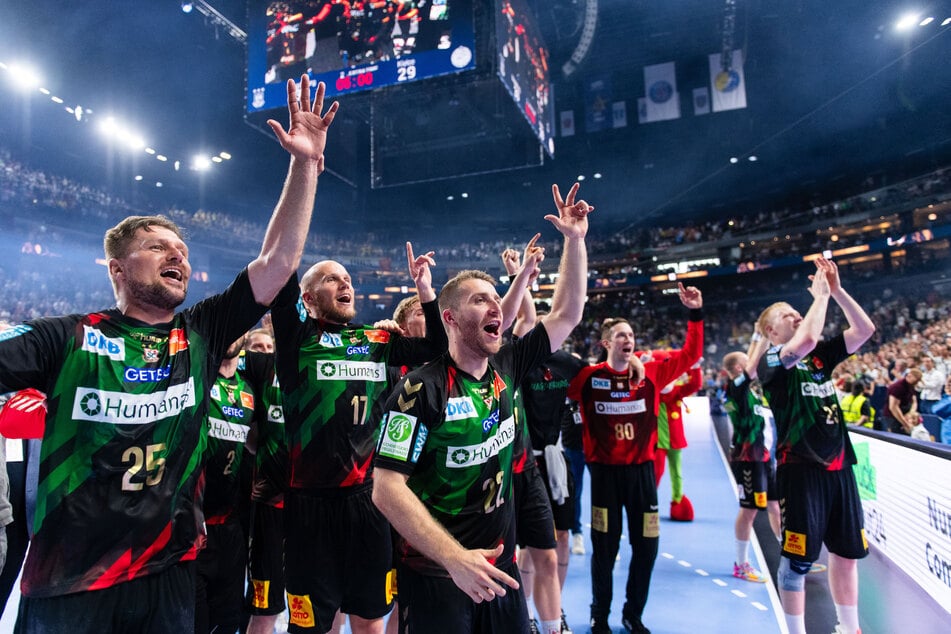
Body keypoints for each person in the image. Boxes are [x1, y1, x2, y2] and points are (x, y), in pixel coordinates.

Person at [0, 74, 338, 632]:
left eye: (181, 249)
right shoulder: (66, 337)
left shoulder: (200, 333)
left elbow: (278, 262)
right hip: (72, 585)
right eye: (157, 247)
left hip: (169, 574)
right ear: (117, 268)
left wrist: (305, 166)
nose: (175, 255)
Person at [371, 183, 591, 634]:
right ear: (449, 318)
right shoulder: (419, 389)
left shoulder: (508, 362)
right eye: (480, 299)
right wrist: (455, 559)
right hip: (438, 576)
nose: (496, 305)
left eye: (497, 298)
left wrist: (574, 240)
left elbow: (567, 313)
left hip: (502, 570)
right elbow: (387, 488)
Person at [271, 240, 450, 634]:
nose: (344, 283)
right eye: (332, 278)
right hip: (309, 507)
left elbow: (438, 347)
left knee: (370, 620)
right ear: (309, 296)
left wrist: (425, 289)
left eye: (348, 278)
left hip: (368, 504)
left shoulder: (375, 341)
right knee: (313, 626)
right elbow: (279, 270)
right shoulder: (295, 341)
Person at [567, 283, 703, 634]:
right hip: (605, 478)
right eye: (621, 335)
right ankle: (600, 615)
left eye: (631, 335)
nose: (628, 340)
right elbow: (553, 377)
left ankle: (633, 614)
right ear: (606, 343)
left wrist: (695, 314)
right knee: (604, 549)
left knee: (647, 547)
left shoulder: (652, 374)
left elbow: (691, 355)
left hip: (643, 475)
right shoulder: (588, 377)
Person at [754, 257, 875, 634]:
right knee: (797, 560)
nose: (796, 316)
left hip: (839, 466)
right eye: (787, 314)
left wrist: (836, 291)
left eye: (796, 312)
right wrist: (819, 296)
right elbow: (806, 338)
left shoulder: (820, 358)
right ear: (771, 332)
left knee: (847, 553)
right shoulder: (771, 360)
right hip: (800, 468)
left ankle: (849, 628)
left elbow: (865, 329)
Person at [502, 248, 582, 634]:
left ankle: (552, 621)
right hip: (495, 473)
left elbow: (555, 315)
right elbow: (527, 318)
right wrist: (522, 277)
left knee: (548, 551)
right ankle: (524, 619)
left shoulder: (527, 357)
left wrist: (573, 241)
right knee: (512, 557)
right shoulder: (500, 358)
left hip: (538, 465)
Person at [196, 334, 257, 633]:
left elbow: (258, 444)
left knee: (229, 621)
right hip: (192, 528)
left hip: (231, 528)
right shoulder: (195, 376)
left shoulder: (249, 389)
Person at [721, 345, 781, 583]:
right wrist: (762, 336)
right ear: (738, 368)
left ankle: (790, 556)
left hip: (765, 458)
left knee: (776, 506)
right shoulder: (734, 388)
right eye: (747, 362)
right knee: (750, 510)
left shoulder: (753, 393)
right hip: (748, 460)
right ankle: (741, 564)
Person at [882, 368, 921, 435]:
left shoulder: (911, 386)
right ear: (909, 376)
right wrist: (904, 423)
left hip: (905, 414)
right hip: (893, 417)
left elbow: (914, 401)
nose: (916, 383)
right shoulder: (898, 387)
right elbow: (893, 407)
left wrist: (910, 413)